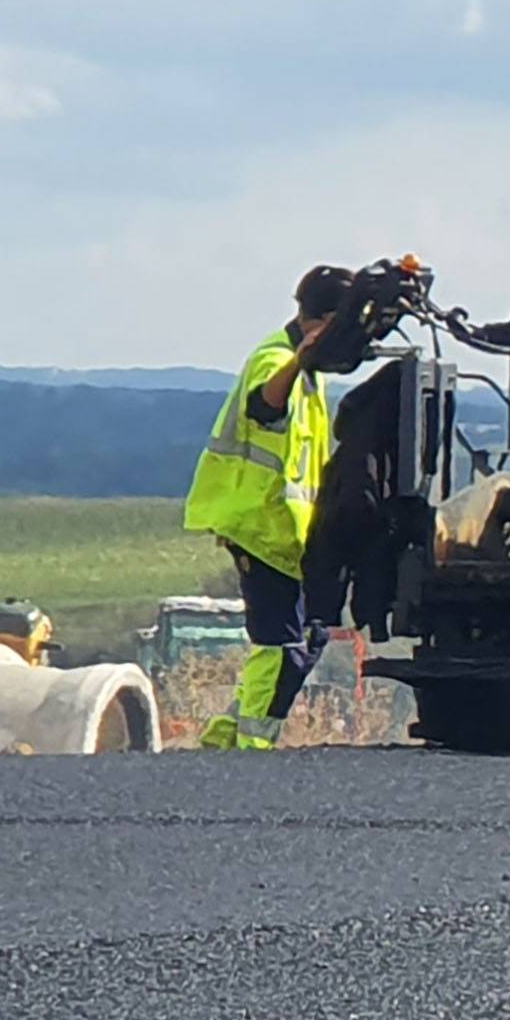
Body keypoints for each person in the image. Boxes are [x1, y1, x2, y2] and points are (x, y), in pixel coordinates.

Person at [186, 266, 392, 747]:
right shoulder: (277, 361)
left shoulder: (310, 375)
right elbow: (264, 404)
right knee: (281, 646)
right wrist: (299, 360)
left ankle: (228, 733)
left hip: (290, 533)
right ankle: (253, 745)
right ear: (319, 323)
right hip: (260, 525)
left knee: (312, 635)